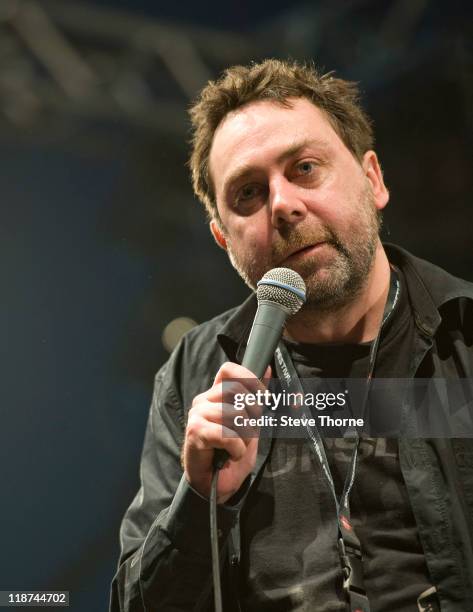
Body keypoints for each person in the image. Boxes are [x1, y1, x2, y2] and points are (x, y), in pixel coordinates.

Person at [110, 59, 473, 612]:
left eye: (305, 168)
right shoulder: (195, 374)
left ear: (372, 180)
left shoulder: (464, 337)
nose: (281, 205)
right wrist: (202, 498)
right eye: (248, 194)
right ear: (222, 240)